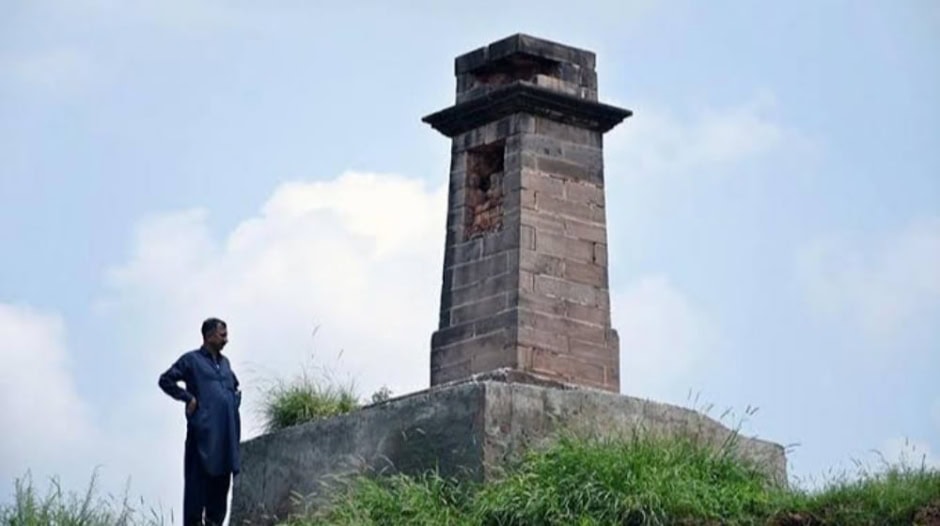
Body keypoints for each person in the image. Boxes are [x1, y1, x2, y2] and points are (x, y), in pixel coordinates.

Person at [159, 318, 242, 526]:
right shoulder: (192, 360)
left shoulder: (225, 364)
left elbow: (234, 385)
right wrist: (189, 398)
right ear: (209, 335)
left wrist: (233, 402)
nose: (226, 339)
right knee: (196, 495)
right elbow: (166, 380)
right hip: (202, 437)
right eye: (222, 335)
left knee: (219, 499)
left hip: (226, 439)